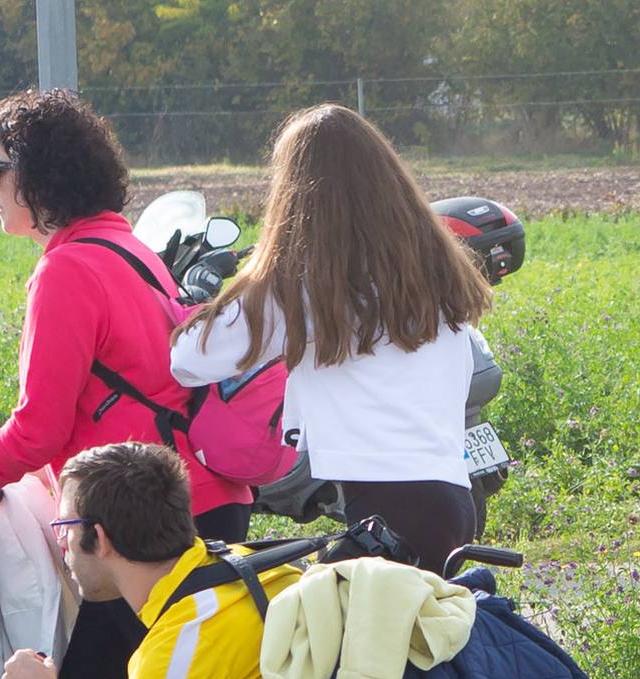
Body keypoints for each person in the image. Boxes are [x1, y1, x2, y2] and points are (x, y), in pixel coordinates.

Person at [0, 90, 250, 679]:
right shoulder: (132, 251)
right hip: (198, 502)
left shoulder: (67, 270)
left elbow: (38, 429)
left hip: (139, 529)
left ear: (43, 174)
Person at [170, 105, 494, 575]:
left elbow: (189, 360)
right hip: (451, 499)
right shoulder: (429, 267)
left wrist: (205, 295)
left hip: (387, 508)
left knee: (319, 642)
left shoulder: (303, 285)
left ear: (297, 194)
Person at [0, 441, 305, 679]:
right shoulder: (251, 570)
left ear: (101, 539)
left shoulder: (184, 637)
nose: (61, 543)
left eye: (64, 528)